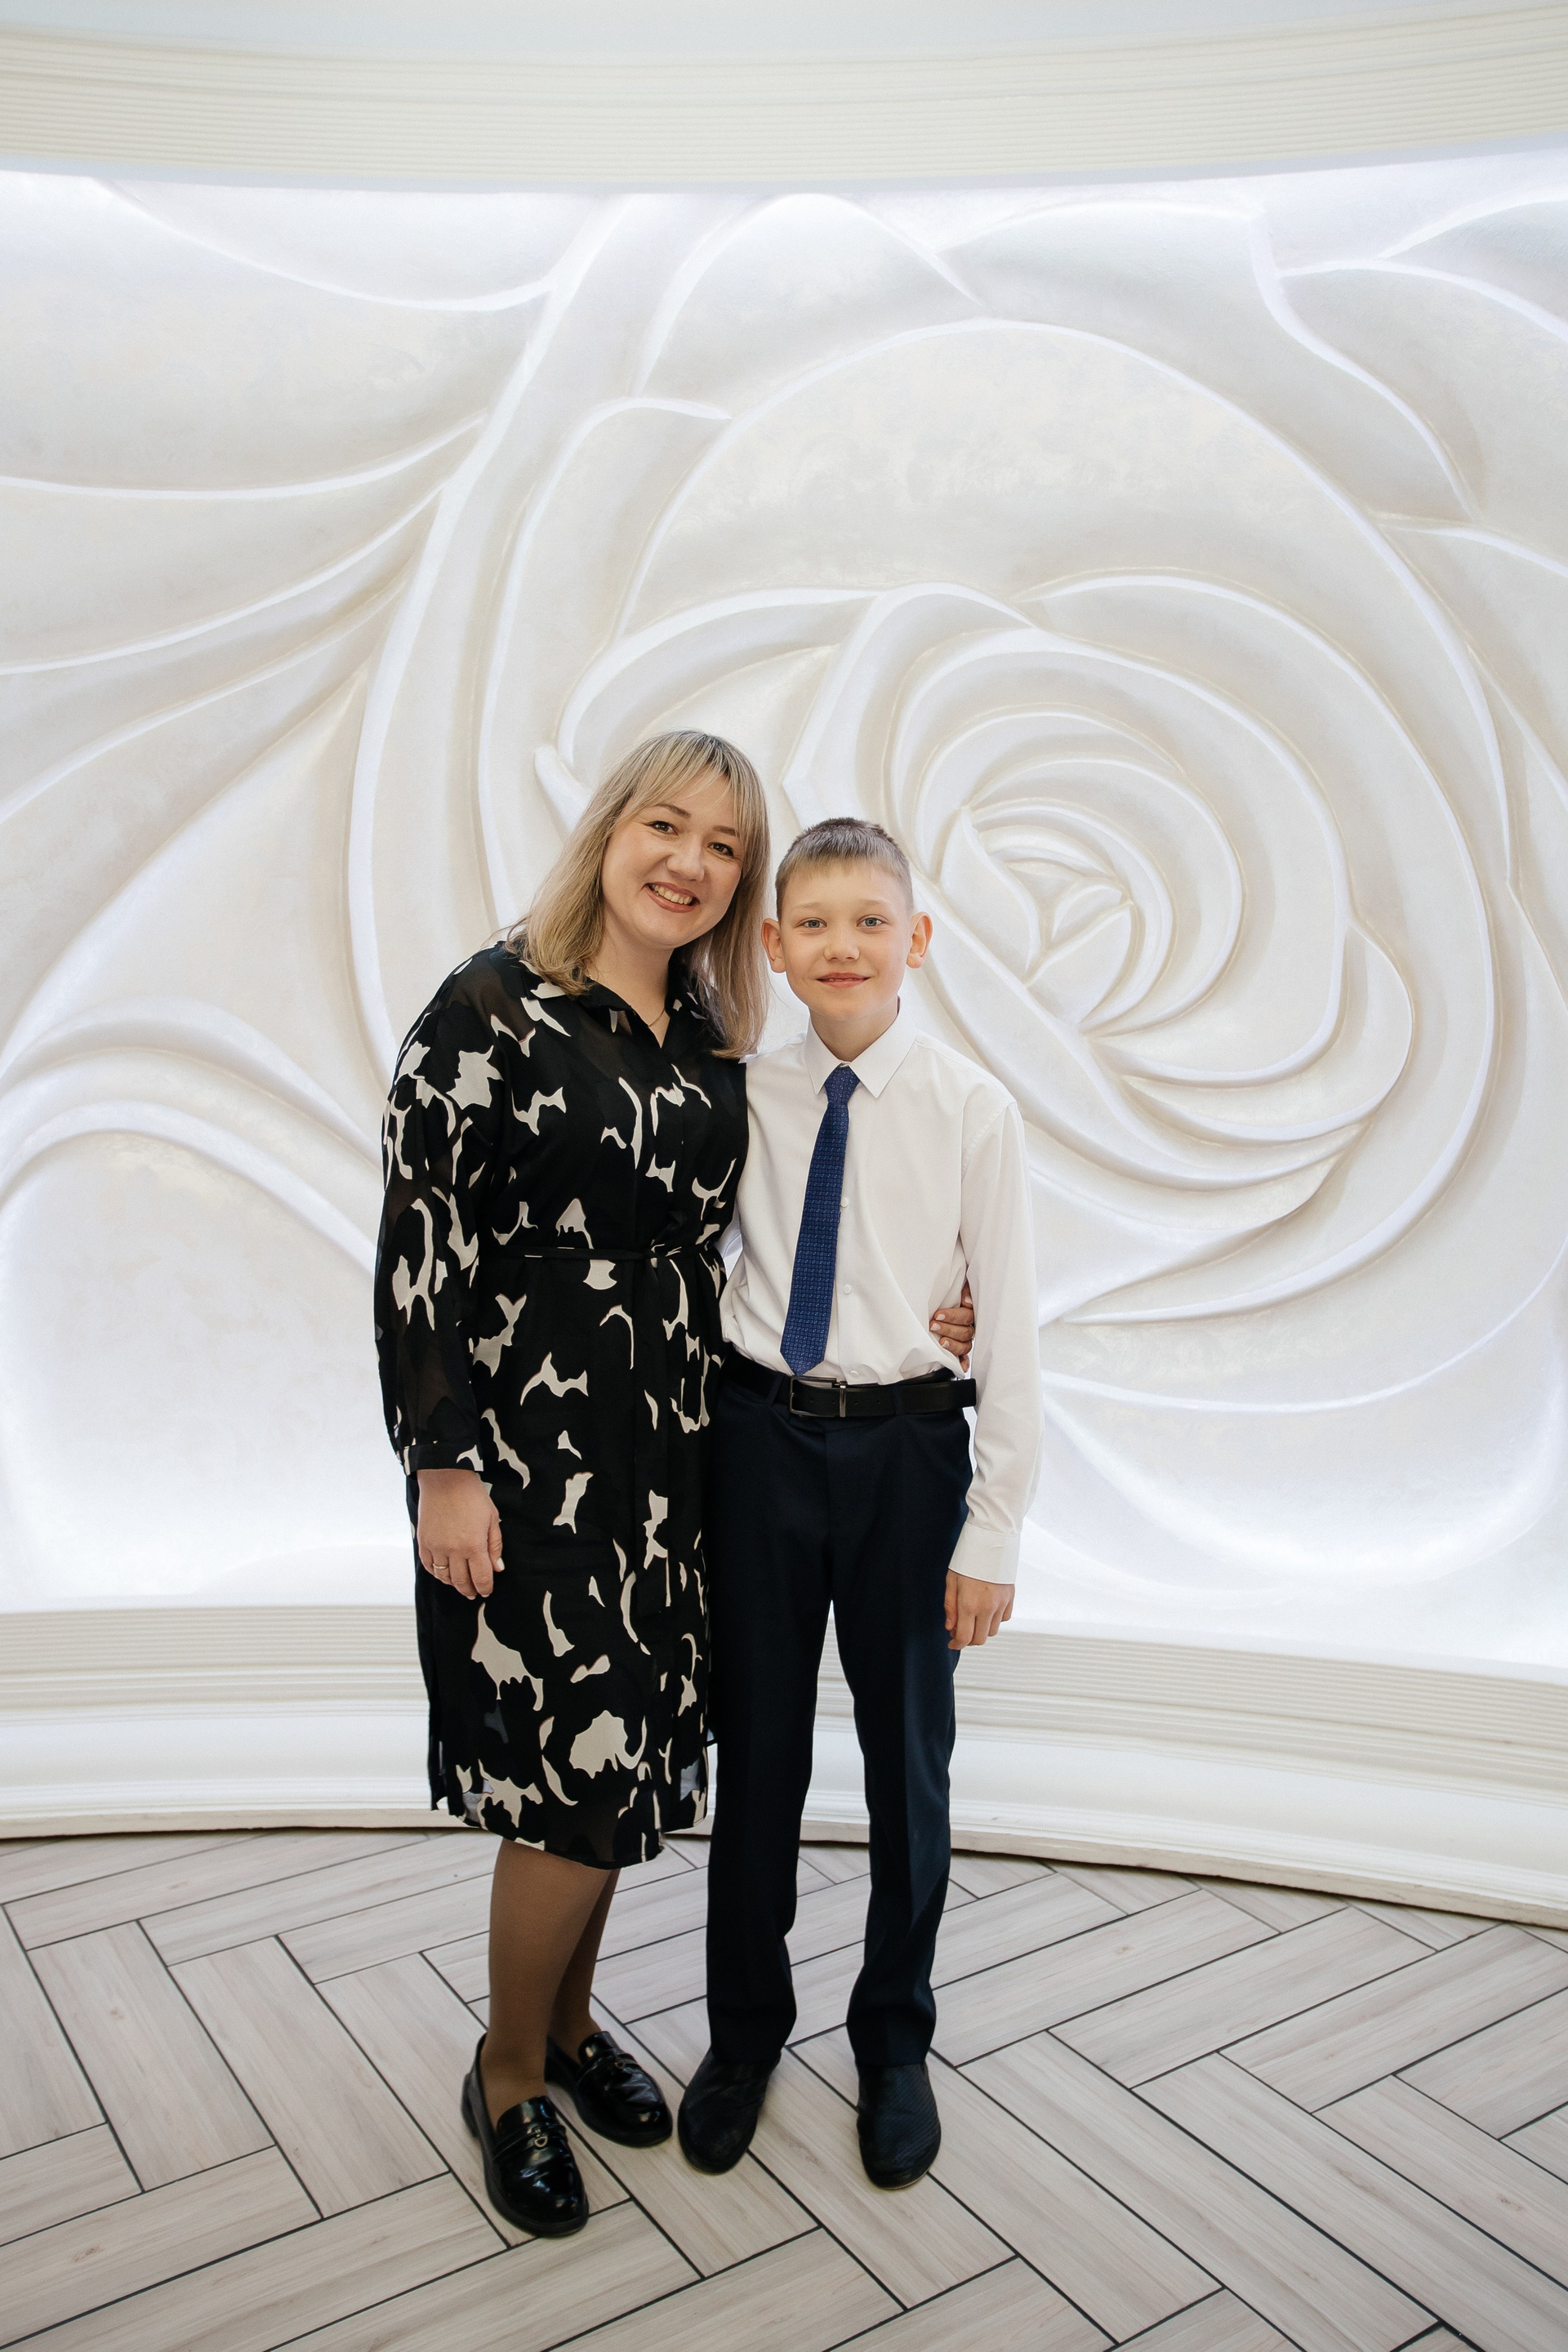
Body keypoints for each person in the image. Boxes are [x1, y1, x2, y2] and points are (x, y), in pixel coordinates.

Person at [375, 743, 974, 2238]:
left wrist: (928, 1307)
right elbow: (420, 1249)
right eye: (665, 825)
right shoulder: (491, 1006)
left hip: (683, 1456)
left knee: (627, 1763)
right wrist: (443, 1466)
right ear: (609, 832)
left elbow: (784, 1218)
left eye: (723, 844)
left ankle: (573, 2031)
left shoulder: (707, 1035)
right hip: (530, 1461)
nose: (689, 862)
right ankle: (509, 2074)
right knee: (563, 1782)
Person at [679, 815, 1043, 2192]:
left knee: (909, 1763)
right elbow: (694, 1260)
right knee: (759, 1755)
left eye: (872, 921)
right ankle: (742, 2037)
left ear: (918, 941)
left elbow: (1012, 1326)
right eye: (815, 923)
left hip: (908, 1455)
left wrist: (993, 1528)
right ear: (773, 945)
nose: (844, 946)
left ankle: (894, 2042)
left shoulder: (971, 1108)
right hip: (759, 1445)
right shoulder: (737, 1094)